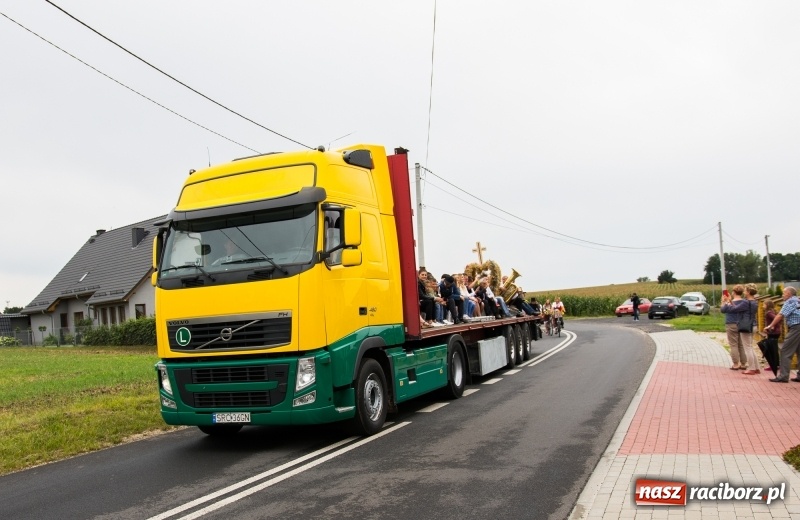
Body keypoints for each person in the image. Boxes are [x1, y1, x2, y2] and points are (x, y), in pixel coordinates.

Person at [765, 286, 800, 383]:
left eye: (784, 293)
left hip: (796, 327)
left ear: (789, 293)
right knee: (799, 351)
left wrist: (770, 325)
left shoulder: (789, 302)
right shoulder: (797, 300)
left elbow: (780, 315)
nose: (782, 295)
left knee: (785, 351)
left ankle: (783, 376)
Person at [721, 285, 749, 371]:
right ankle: (744, 363)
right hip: (741, 323)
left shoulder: (730, 302)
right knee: (741, 344)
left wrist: (723, 301)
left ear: (733, 292)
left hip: (731, 323)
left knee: (733, 344)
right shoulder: (744, 302)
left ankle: (736, 364)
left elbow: (723, 310)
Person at [740, 283, 760, 375]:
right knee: (750, 347)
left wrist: (727, 303)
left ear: (748, 292)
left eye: (745, 290)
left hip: (746, 326)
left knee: (747, 348)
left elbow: (735, 309)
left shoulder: (745, 302)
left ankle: (751, 368)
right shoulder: (755, 302)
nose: (744, 292)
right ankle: (756, 367)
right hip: (754, 324)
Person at [758, 299, 781, 374]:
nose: (763, 306)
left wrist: (771, 326)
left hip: (773, 333)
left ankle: (773, 365)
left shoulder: (769, 313)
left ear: (767, 305)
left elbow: (776, 319)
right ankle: (776, 364)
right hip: (776, 332)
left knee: (771, 349)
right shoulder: (773, 311)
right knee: (774, 349)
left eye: (764, 304)